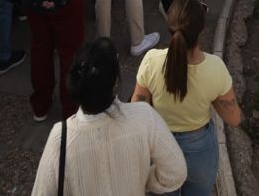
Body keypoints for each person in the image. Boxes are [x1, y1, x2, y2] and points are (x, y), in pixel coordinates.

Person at [32, 39, 186, 196]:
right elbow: (176, 172)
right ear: (115, 82)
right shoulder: (145, 117)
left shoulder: (60, 138)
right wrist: (144, 181)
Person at [133, 0, 241, 196]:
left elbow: (137, 110)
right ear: (202, 30)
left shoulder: (151, 61)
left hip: (160, 144)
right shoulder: (215, 68)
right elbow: (234, 118)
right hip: (199, 148)